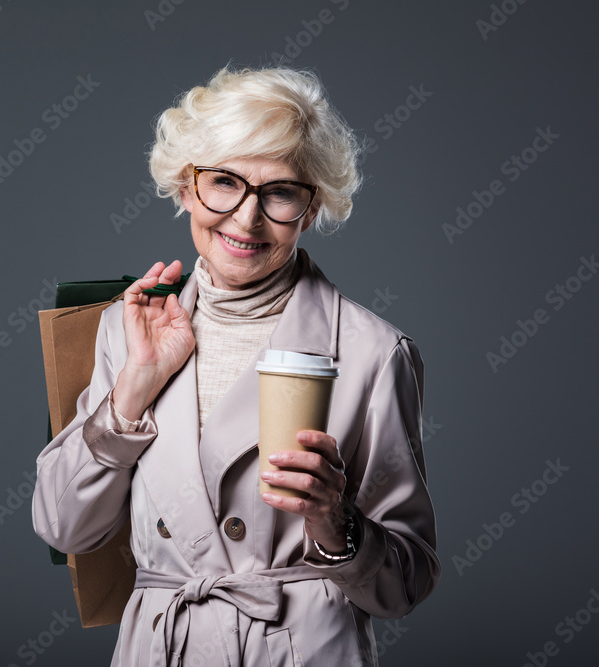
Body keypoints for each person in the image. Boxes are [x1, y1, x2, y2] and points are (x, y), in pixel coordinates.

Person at [32, 65, 440, 666]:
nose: (246, 220)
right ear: (184, 186)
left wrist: (336, 521)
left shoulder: (373, 353)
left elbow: (404, 585)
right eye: (224, 181)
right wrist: (133, 390)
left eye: (279, 192)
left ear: (311, 207)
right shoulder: (128, 328)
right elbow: (64, 528)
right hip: (161, 648)